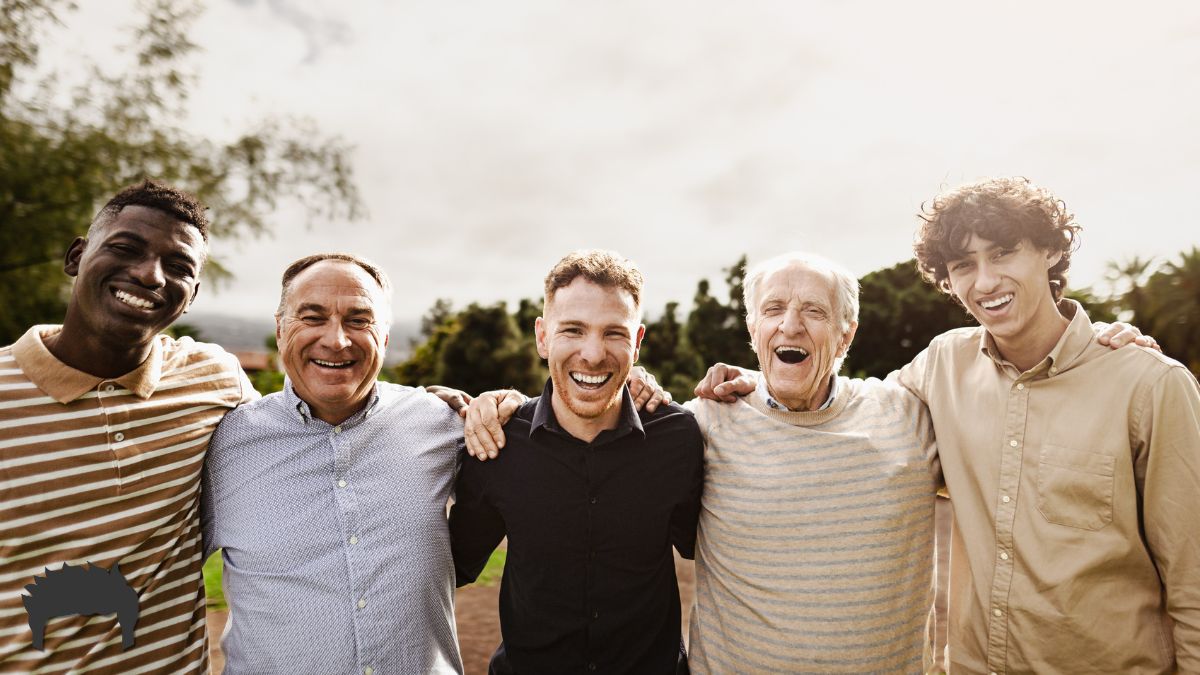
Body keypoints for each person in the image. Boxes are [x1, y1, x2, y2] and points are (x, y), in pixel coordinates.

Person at [694, 177, 1197, 672]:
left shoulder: (1149, 386)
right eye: (963, 265)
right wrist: (757, 380)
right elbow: (834, 394)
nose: (985, 282)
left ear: (1048, 251)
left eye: (1002, 253)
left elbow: (1194, 583)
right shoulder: (941, 366)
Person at [0, 180, 254, 671]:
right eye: (125, 248)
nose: (150, 274)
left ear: (192, 295)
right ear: (77, 256)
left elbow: (308, 436)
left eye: (178, 267)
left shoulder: (214, 380)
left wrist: (430, 409)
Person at [201, 253, 465, 674]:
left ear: (386, 336)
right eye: (313, 317)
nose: (337, 340)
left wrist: (497, 403)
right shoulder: (223, 446)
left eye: (359, 320)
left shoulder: (443, 425)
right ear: (280, 328)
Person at [448, 250, 704, 674]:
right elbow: (450, 565)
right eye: (573, 330)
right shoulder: (496, 443)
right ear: (542, 336)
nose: (592, 353)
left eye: (614, 334)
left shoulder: (678, 438)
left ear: (637, 343)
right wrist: (441, 401)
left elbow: (708, 548)